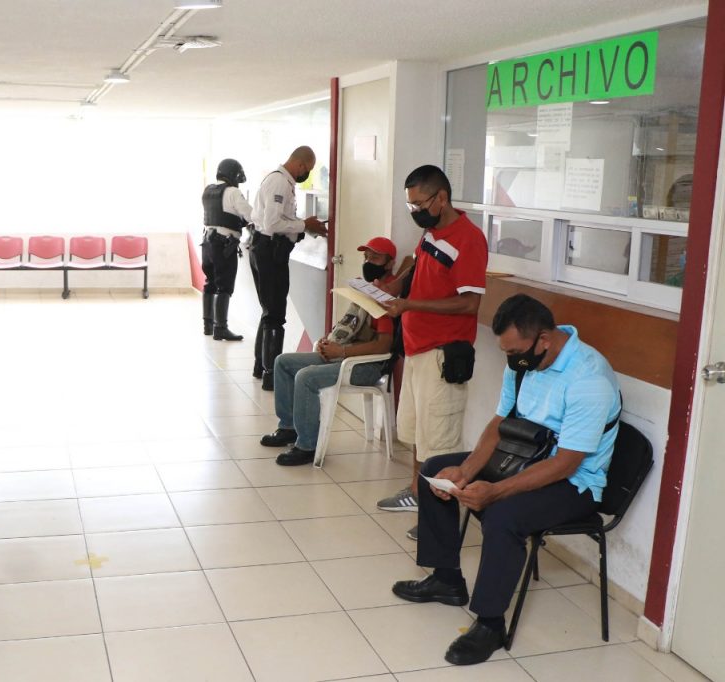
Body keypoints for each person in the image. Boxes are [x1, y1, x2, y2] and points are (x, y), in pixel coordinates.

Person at [391, 294, 621, 666]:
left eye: (514, 351)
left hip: (575, 482)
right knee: (437, 467)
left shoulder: (589, 379)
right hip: (523, 455)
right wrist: (466, 472)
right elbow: (499, 424)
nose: (511, 360)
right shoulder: (524, 362)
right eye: (506, 351)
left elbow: (565, 464)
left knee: (503, 516)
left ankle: (490, 624)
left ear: (543, 339)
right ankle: (447, 579)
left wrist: (495, 491)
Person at [375, 165, 488, 542]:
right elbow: (418, 273)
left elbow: (469, 304)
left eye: (419, 205)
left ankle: (439, 523)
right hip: (416, 348)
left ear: (442, 198)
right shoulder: (432, 231)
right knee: (417, 433)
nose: (415, 213)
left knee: (440, 441)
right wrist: (395, 289)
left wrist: (410, 305)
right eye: (410, 206)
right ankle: (416, 492)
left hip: (443, 355)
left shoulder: (468, 239)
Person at [261, 237, 397, 465]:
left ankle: (307, 445)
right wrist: (331, 342)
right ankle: (288, 428)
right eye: (366, 257)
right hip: (346, 355)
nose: (368, 262)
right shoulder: (367, 289)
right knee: (283, 362)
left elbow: (384, 345)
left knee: (306, 377)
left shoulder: (385, 296)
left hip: (367, 366)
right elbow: (352, 326)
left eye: (375, 258)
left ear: (390, 263)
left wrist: (340, 351)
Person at [250, 146, 328, 390]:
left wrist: (303, 227)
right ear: (301, 165)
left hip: (267, 249)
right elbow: (272, 224)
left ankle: (261, 367)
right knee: (275, 315)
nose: (307, 174)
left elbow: (277, 220)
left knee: (269, 311)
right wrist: (304, 225)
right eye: (308, 169)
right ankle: (272, 375)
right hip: (270, 251)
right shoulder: (280, 183)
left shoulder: (281, 181)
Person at [201, 158, 253, 341]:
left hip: (207, 244)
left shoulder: (208, 191)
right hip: (224, 246)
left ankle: (208, 326)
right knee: (224, 287)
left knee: (210, 283)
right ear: (233, 175)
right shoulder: (233, 192)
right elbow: (251, 215)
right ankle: (221, 328)